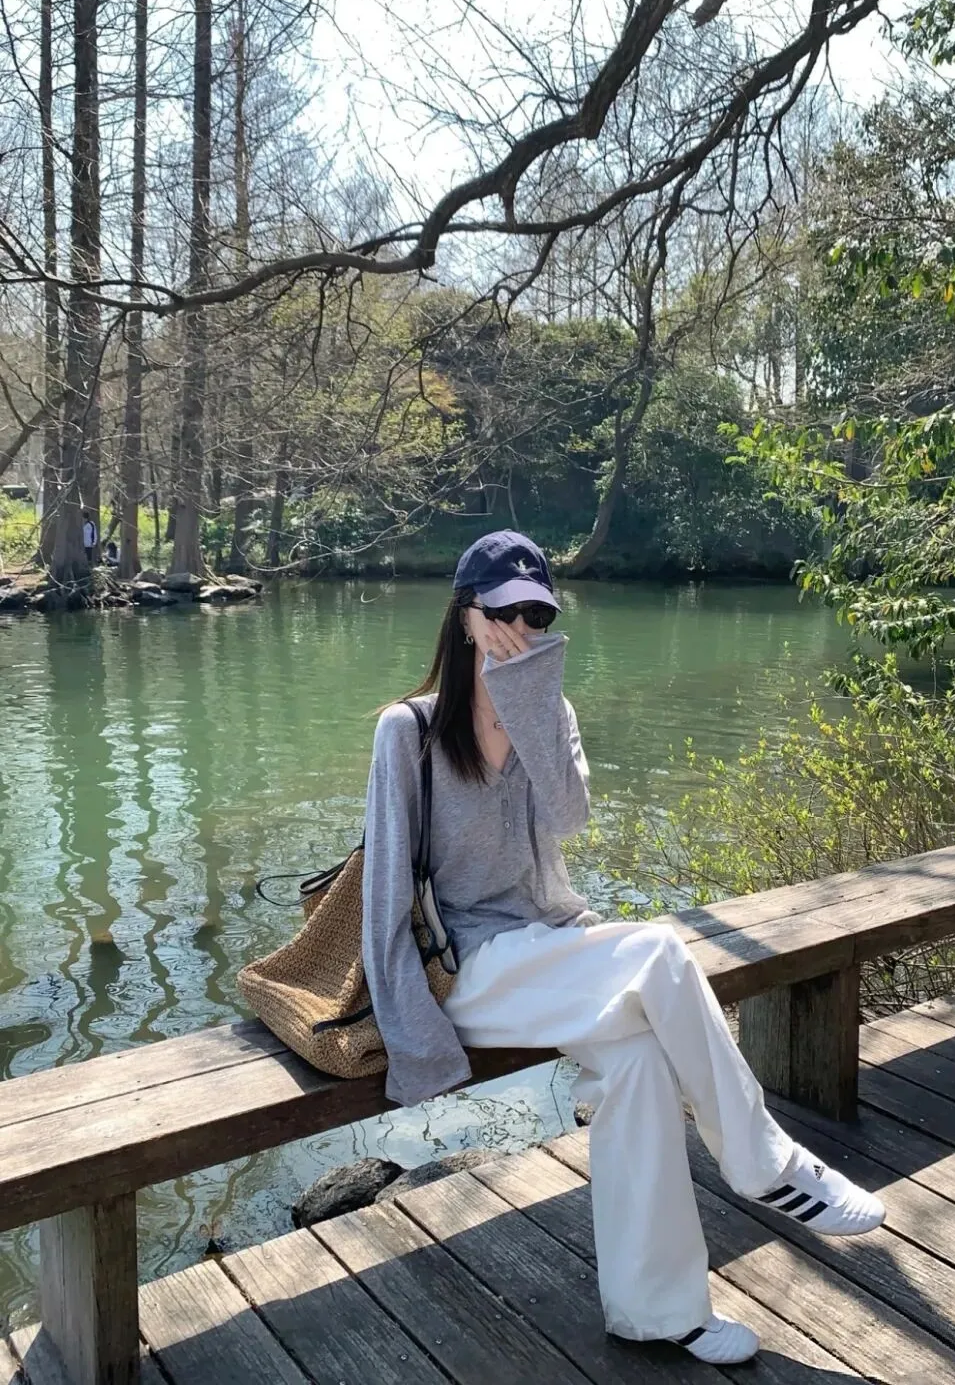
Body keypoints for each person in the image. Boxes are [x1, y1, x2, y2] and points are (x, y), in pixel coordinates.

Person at [363, 530, 885, 1367]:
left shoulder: (551, 711)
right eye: (505, 611)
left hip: (548, 948)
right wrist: (416, 1040)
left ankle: (659, 1311)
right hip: (464, 972)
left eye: (538, 614)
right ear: (465, 616)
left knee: (639, 1063)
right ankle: (764, 1161)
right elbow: (384, 895)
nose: (522, 628)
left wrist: (528, 701)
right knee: (661, 952)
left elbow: (569, 819)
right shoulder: (408, 731)